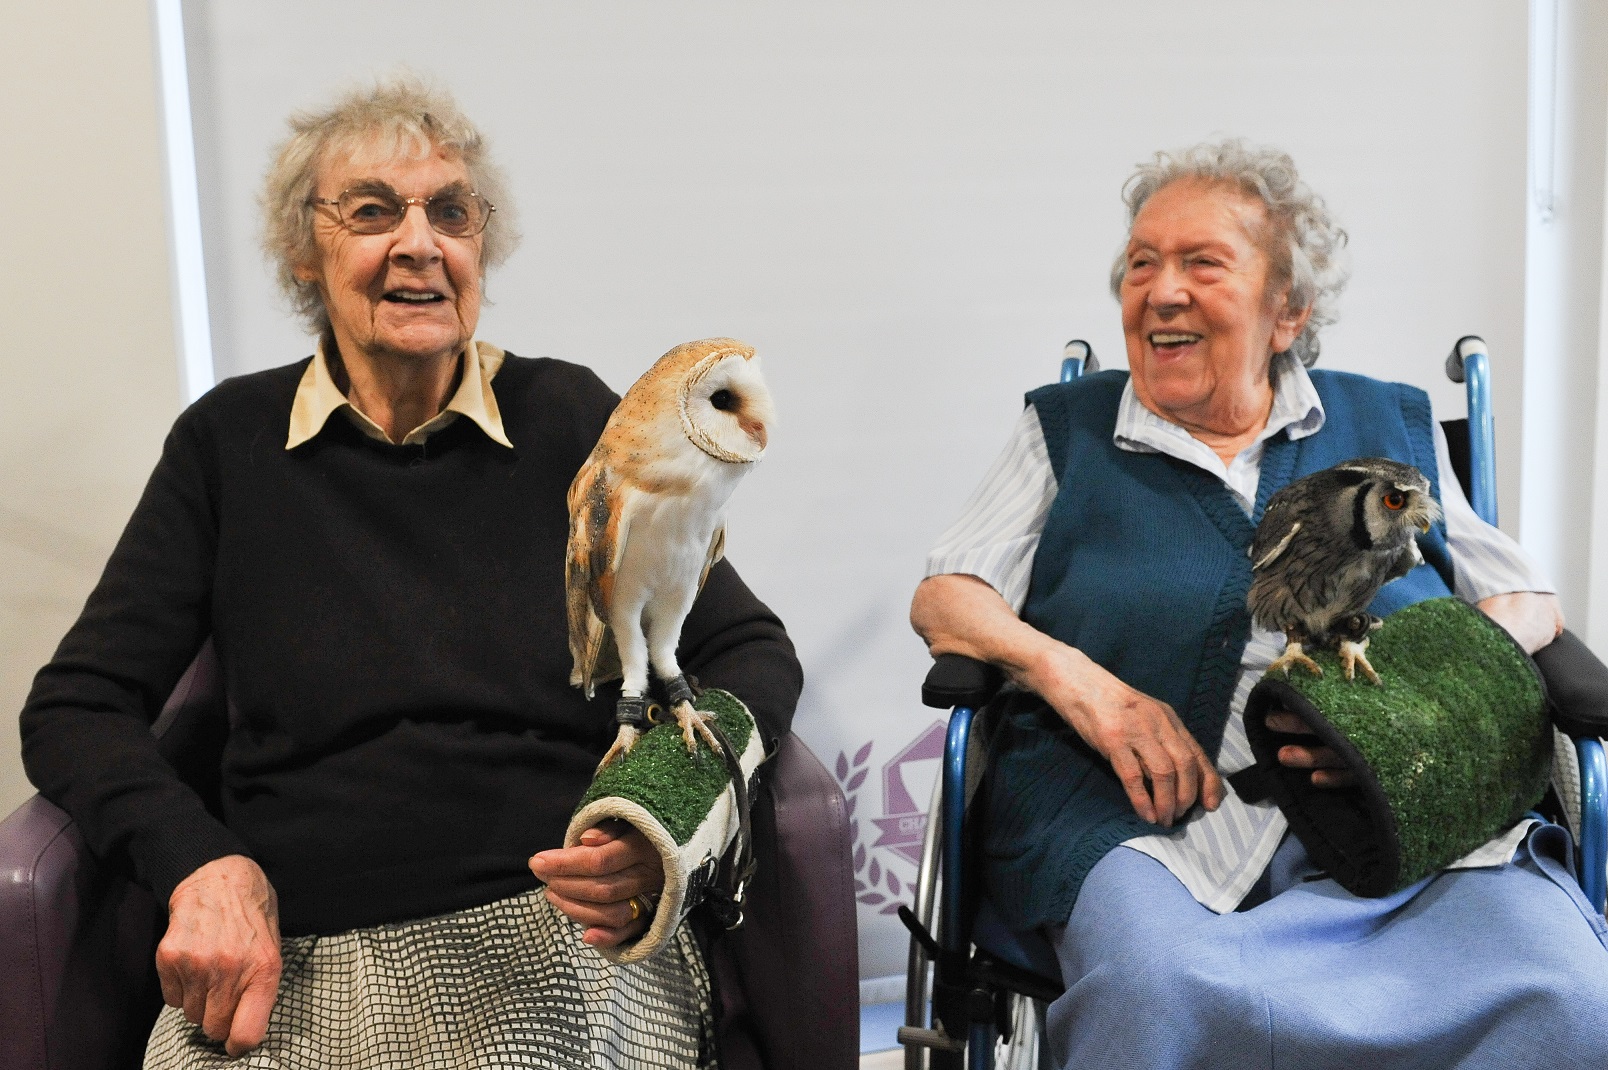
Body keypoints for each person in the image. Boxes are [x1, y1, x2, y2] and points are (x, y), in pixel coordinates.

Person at [19, 76, 800, 1068]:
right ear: (305, 251)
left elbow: (746, 649)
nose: (419, 244)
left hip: (552, 930)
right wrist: (200, 864)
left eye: (452, 212)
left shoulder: (568, 419)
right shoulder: (226, 444)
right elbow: (79, 705)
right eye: (372, 212)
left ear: (480, 249)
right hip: (295, 947)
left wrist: (658, 820)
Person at [911, 139, 1608, 1068]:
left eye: (1202, 264)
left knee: (1568, 995)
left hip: (1403, 816)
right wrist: (1084, 686)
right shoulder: (1068, 432)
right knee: (1159, 996)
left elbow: (1524, 599)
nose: (1162, 291)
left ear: (1288, 311)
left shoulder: (1387, 425)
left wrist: (1415, 701)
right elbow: (948, 596)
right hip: (1141, 823)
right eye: (1142, 264)